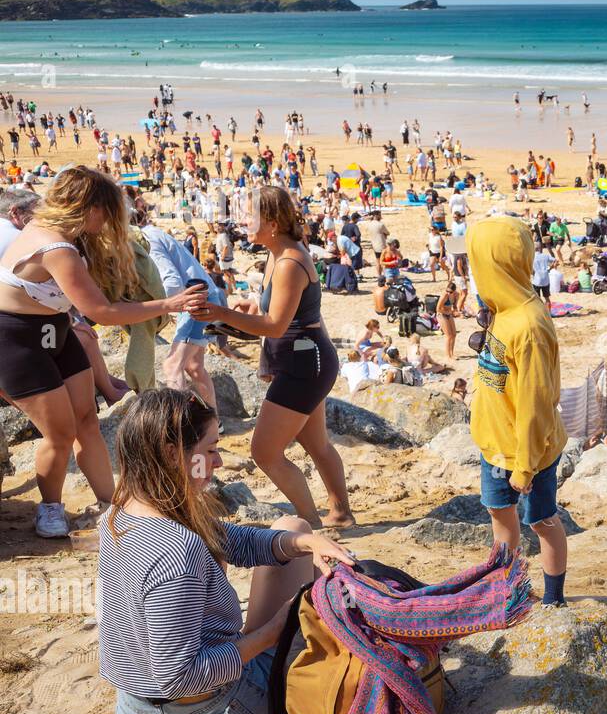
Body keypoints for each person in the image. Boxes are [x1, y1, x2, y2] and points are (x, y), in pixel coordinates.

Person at [97, 388, 354, 714]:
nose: (217, 463)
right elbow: (181, 679)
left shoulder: (118, 516)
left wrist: (307, 544)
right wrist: (274, 631)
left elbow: (234, 541)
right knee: (306, 629)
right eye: (211, 449)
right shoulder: (176, 551)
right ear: (173, 455)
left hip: (136, 712)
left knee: (293, 529)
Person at [0, 166, 205, 538]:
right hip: (14, 339)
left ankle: (108, 502)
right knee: (59, 433)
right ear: (87, 208)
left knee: (87, 421)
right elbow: (102, 313)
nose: (110, 220)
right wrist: (168, 304)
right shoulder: (56, 247)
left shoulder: (65, 236)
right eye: (107, 211)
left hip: (56, 330)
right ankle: (50, 508)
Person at [189, 186, 353, 529]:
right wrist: (244, 309)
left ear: (273, 223)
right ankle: (341, 513)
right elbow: (276, 311)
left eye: (251, 216)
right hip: (307, 361)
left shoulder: (290, 261)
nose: (244, 222)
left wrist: (222, 312)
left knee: (264, 452)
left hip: (305, 364)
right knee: (316, 443)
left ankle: (310, 522)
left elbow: (275, 325)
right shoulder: (277, 255)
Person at [467, 215, 569, 606]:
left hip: (530, 450)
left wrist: (525, 465)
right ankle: (506, 590)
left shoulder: (528, 326)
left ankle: (553, 598)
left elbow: (536, 404)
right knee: (500, 515)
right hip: (494, 443)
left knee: (542, 521)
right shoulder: (502, 308)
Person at [141, 220, 221, 410]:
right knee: (194, 367)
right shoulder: (153, 232)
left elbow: (172, 284)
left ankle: (180, 425)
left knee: (172, 365)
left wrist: (150, 307)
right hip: (204, 295)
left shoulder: (146, 239)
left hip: (197, 300)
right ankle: (214, 422)